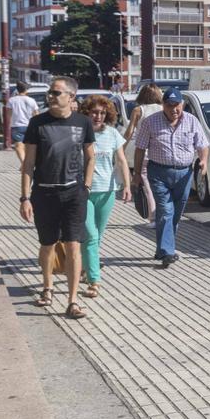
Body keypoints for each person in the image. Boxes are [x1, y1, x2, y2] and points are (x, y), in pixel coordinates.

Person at [19, 76, 95, 319]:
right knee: (48, 244)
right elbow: (29, 163)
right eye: (50, 93)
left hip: (73, 193)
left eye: (56, 93)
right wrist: (24, 198)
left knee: (74, 245)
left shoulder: (83, 122)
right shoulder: (38, 123)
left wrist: (87, 185)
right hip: (44, 192)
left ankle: (72, 301)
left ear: (71, 97)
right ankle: (48, 286)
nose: (50, 96)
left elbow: (91, 155)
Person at [131, 88, 208, 267]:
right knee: (165, 211)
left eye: (177, 105)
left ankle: (162, 249)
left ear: (182, 105)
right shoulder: (150, 122)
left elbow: (203, 145)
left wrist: (203, 161)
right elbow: (140, 148)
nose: (174, 109)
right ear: (163, 105)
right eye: (170, 105)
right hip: (158, 172)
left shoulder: (192, 121)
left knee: (176, 213)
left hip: (184, 174)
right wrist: (136, 175)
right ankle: (168, 252)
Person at [80, 95, 132, 298]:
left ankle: (86, 267)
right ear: (87, 113)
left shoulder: (112, 134)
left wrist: (127, 185)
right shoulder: (80, 133)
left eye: (102, 113)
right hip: (85, 191)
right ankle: (95, 280)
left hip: (107, 191)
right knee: (90, 235)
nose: (98, 116)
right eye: (94, 112)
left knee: (97, 237)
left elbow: (121, 160)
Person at [125, 84, 163, 218]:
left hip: (144, 152)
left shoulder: (138, 110)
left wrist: (121, 148)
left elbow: (130, 131)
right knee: (160, 186)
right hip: (160, 153)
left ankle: (153, 216)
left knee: (147, 186)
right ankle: (162, 214)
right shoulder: (163, 108)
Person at [8, 81, 39, 166]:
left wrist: (8, 126)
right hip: (30, 126)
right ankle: (25, 164)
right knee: (27, 147)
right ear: (26, 90)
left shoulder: (11, 100)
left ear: (17, 90)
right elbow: (36, 114)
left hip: (17, 126)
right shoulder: (31, 100)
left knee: (18, 146)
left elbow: (8, 115)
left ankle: (24, 163)